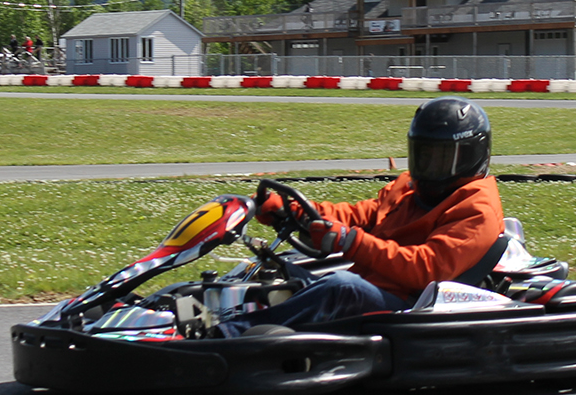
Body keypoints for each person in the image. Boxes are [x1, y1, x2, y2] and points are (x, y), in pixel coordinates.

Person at [206, 95, 503, 338]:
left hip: (411, 306)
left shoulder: (476, 209)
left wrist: (352, 242)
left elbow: (427, 268)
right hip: (374, 285)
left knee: (342, 286)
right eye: (424, 155)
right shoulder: (410, 189)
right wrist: (293, 210)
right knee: (279, 270)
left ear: (472, 155)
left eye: (441, 158)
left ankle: (223, 337)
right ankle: (202, 312)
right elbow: (361, 215)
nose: (430, 167)